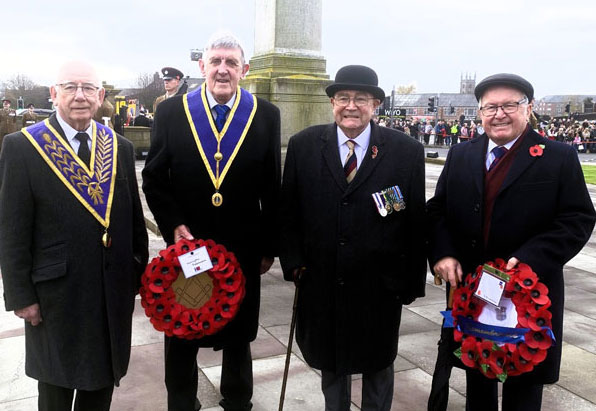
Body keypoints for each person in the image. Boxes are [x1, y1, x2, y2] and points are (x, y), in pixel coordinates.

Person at [428, 73, 596, 411]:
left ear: (528, 108)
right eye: (490, 107)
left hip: (530, 296)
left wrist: (529, 260)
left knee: (524, 387)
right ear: (479, 112)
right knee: (477, 381)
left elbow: (577, 218)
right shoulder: (461, 154)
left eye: (510, 105)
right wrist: (442, 254)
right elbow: (437, 211)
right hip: (473, 294)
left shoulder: (557, 156)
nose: (499, 114)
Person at [143, 31, 281, 411]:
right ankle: (182, 402)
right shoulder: (173, 112)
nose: (223, 70)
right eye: (216, 62)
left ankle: (238, 402)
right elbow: (154, 177)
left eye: (231, 63)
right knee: (181, 326)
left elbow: (272, 186)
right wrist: (173, 225)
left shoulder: (265, 114)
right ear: (202, 66)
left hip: (242, 245)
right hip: (188, 245)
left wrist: (270, 246)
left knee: (238, 335)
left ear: (244, 70)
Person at [0, 60, 147, 411]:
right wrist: (21, 295)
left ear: (100, 96)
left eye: (88, 88)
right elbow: (11, 231)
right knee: (55, 390)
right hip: (54, 296)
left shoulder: (119, 147)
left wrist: (137, 276)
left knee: (101, 384)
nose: (79, 96)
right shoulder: (23, 147)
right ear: (54, 94)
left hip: (109, 292)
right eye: (69, 87)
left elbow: (133, 221)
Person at [280, 65, 427, 411]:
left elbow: (415, 221)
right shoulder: (303, 146)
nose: (350, 106)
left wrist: (411, 282)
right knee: (331, 362)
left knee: (378, 363)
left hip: (379, 286)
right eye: (342, 97)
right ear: (332, 103)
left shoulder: (405, 151)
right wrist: (293, 263)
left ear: (375, 103)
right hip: (322, 280)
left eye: (360, 98)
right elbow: (288, 213)